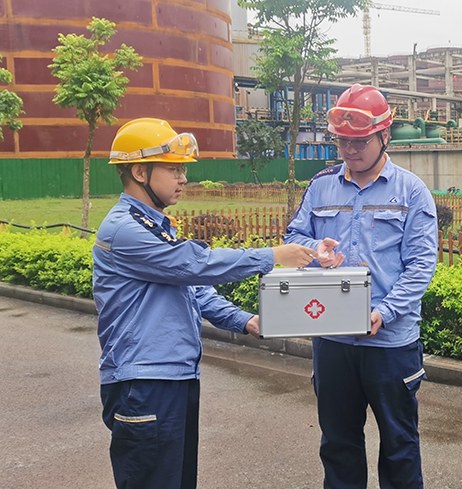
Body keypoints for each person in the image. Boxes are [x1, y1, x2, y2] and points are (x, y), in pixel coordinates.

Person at [93, 118, 318, 489]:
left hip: (174, 377)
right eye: (173, 168)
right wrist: (274, 254)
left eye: (183, 169)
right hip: (144, 383)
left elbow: (195, 290)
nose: (183, 178)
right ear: (139, 171)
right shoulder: (125, 230)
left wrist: (247, 321)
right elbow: (196, 265)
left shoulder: (156, 226)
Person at [284, 84, 439, 489]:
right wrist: (315, 248)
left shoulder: (411, 191)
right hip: (333, 341)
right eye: (342, 142)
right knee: (338, 444)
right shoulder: (321, 186)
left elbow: (421, 265)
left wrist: (383, 312)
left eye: (359, 142)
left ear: (384, 135)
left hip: (390, 343)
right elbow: (294, 236)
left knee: (400, 446)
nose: (350, 150)